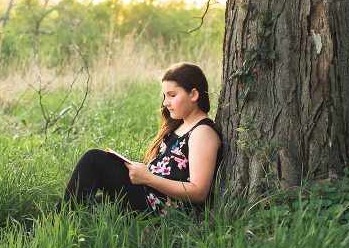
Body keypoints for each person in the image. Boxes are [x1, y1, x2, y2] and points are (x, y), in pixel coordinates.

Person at [55, 62, 223, 216]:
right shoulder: (181, 124)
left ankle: (52, 225)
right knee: (88, 205)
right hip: (149, 193)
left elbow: (199, 192)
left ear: (194, 94)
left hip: (160, 206)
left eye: (172, 95)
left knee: (94, 160)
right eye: (164, 96)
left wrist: (149, 179)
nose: (165, 102)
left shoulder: (202, 133)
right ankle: (46, 228)